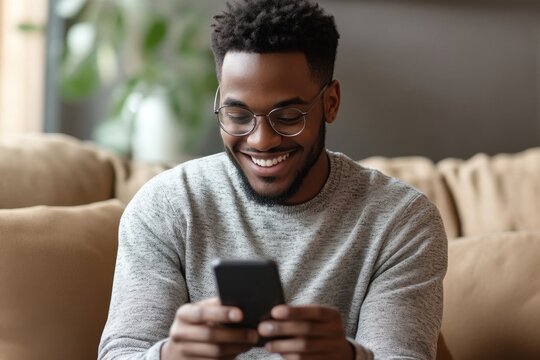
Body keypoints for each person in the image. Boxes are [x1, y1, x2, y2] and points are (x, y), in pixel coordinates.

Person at [98, 0, 447, 359]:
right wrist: (170, 355)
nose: (261, 140)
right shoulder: (166, 206)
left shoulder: (401, 220)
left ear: (331, 102)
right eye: (237, 114)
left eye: (288, 115)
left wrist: (349, 356)